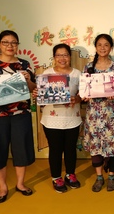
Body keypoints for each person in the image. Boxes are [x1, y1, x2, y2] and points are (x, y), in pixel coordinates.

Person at [0, 30, 36, 203]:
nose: (10, 46)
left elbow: (32, 89)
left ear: (18, 45)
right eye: (6, 42)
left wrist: (28, 80)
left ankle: (20, 184)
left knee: (21, 149)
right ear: (0, 44)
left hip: (21, 113)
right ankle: (3, 187)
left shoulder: (25, 65)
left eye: (14, 42)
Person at [82, 34, 114, 192]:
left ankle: (111, 176)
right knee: (96, 146)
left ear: (111, 47)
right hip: (94, 114)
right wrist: (83, 95)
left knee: (112, 145)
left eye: (106, 45)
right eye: (99, 45)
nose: (103, 48)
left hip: (111, 113)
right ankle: (98, 177)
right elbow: (84, 90)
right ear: (95, 47)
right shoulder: (88, 67)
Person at [33, 43, 82, 193]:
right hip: (51, 119)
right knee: (55, 149)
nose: (62, 58)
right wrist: (37, 94)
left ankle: (70, 175)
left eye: (65, 55)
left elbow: (84, 95)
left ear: (70, 56)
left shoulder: (77, 73)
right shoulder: (46, 74)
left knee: (70, 149)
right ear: (54, 57)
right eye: (59, 55)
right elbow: (40, 98)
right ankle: (56, 177)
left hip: (72, 118)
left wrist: (76, 99)